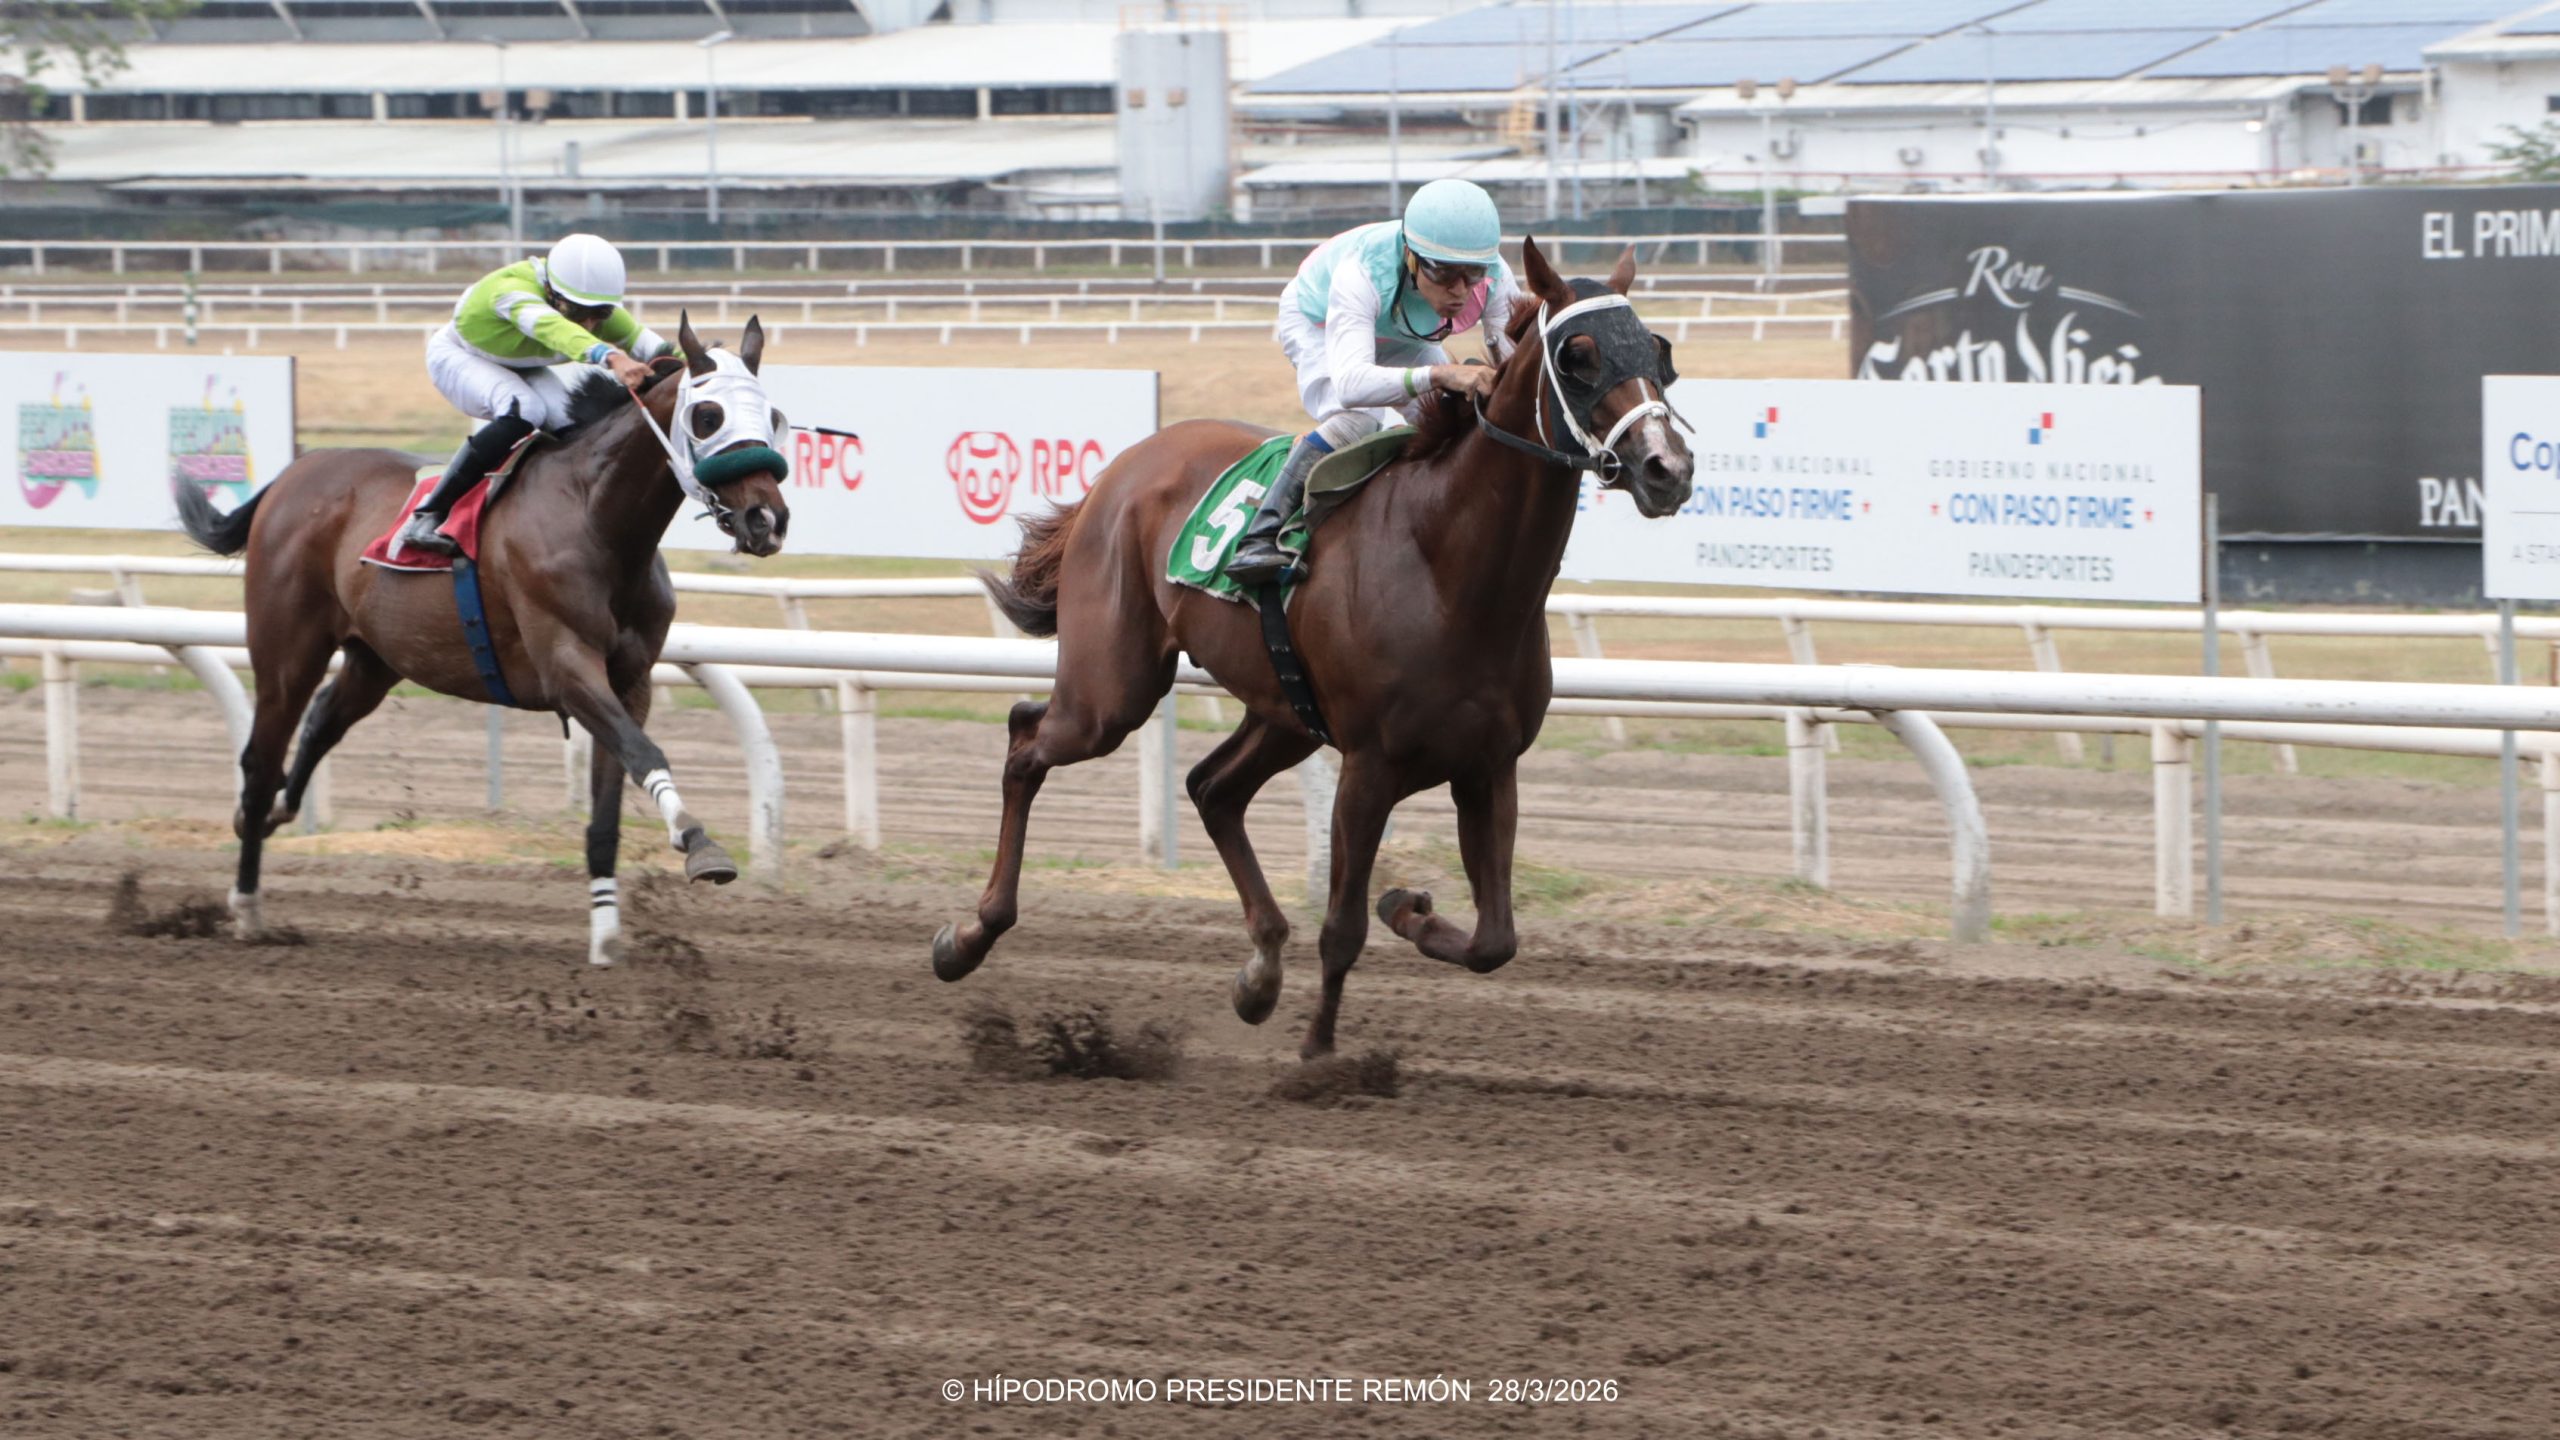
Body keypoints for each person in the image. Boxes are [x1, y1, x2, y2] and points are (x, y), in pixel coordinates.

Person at [1225, 178, 1519, 585]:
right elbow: (1351, 384)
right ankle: (1261, 535)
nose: (1460, 291)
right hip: (1318, 321)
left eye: (1472, 275)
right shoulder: (1362, 270)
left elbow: (1511, 365)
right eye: (1445, 273)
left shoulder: (1495, 276)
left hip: (1400, 334)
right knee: (1358, 420)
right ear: (1412, 258)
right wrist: (1442, 373)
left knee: (1445, 417)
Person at [397, 233, 677, 556]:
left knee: (576, 426)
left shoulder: (595, 308)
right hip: (458, 357)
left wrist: (706, 368)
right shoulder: (513, 291)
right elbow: (553, 329)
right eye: (577, 311)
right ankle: (429, 514)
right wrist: (611, 356)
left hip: (516, 365)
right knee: (525, 411)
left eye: (599, 314)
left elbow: (655, 348)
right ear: (551, 292)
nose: (589, 322)